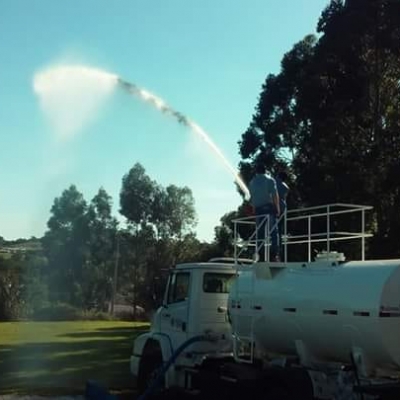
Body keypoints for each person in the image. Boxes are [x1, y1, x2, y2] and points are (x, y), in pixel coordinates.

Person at [249, 163, 280, 261]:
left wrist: (254, 209)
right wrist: (277, 208)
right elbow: (275, 195)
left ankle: (260, 255)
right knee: (273, 231)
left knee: (260, 233)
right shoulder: (270, 180)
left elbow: (252, 197)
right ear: (265, 170)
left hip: (258, 210)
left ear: (256, 172)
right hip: (268, 209)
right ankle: (274, 254)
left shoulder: (252, 182)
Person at [275, 171, 289, 259]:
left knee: (273, 231)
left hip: (273, 209)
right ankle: (279, 253)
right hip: (283, 209)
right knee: (279, 231)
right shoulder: (285, 187)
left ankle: (274, 252)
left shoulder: (273, 182)